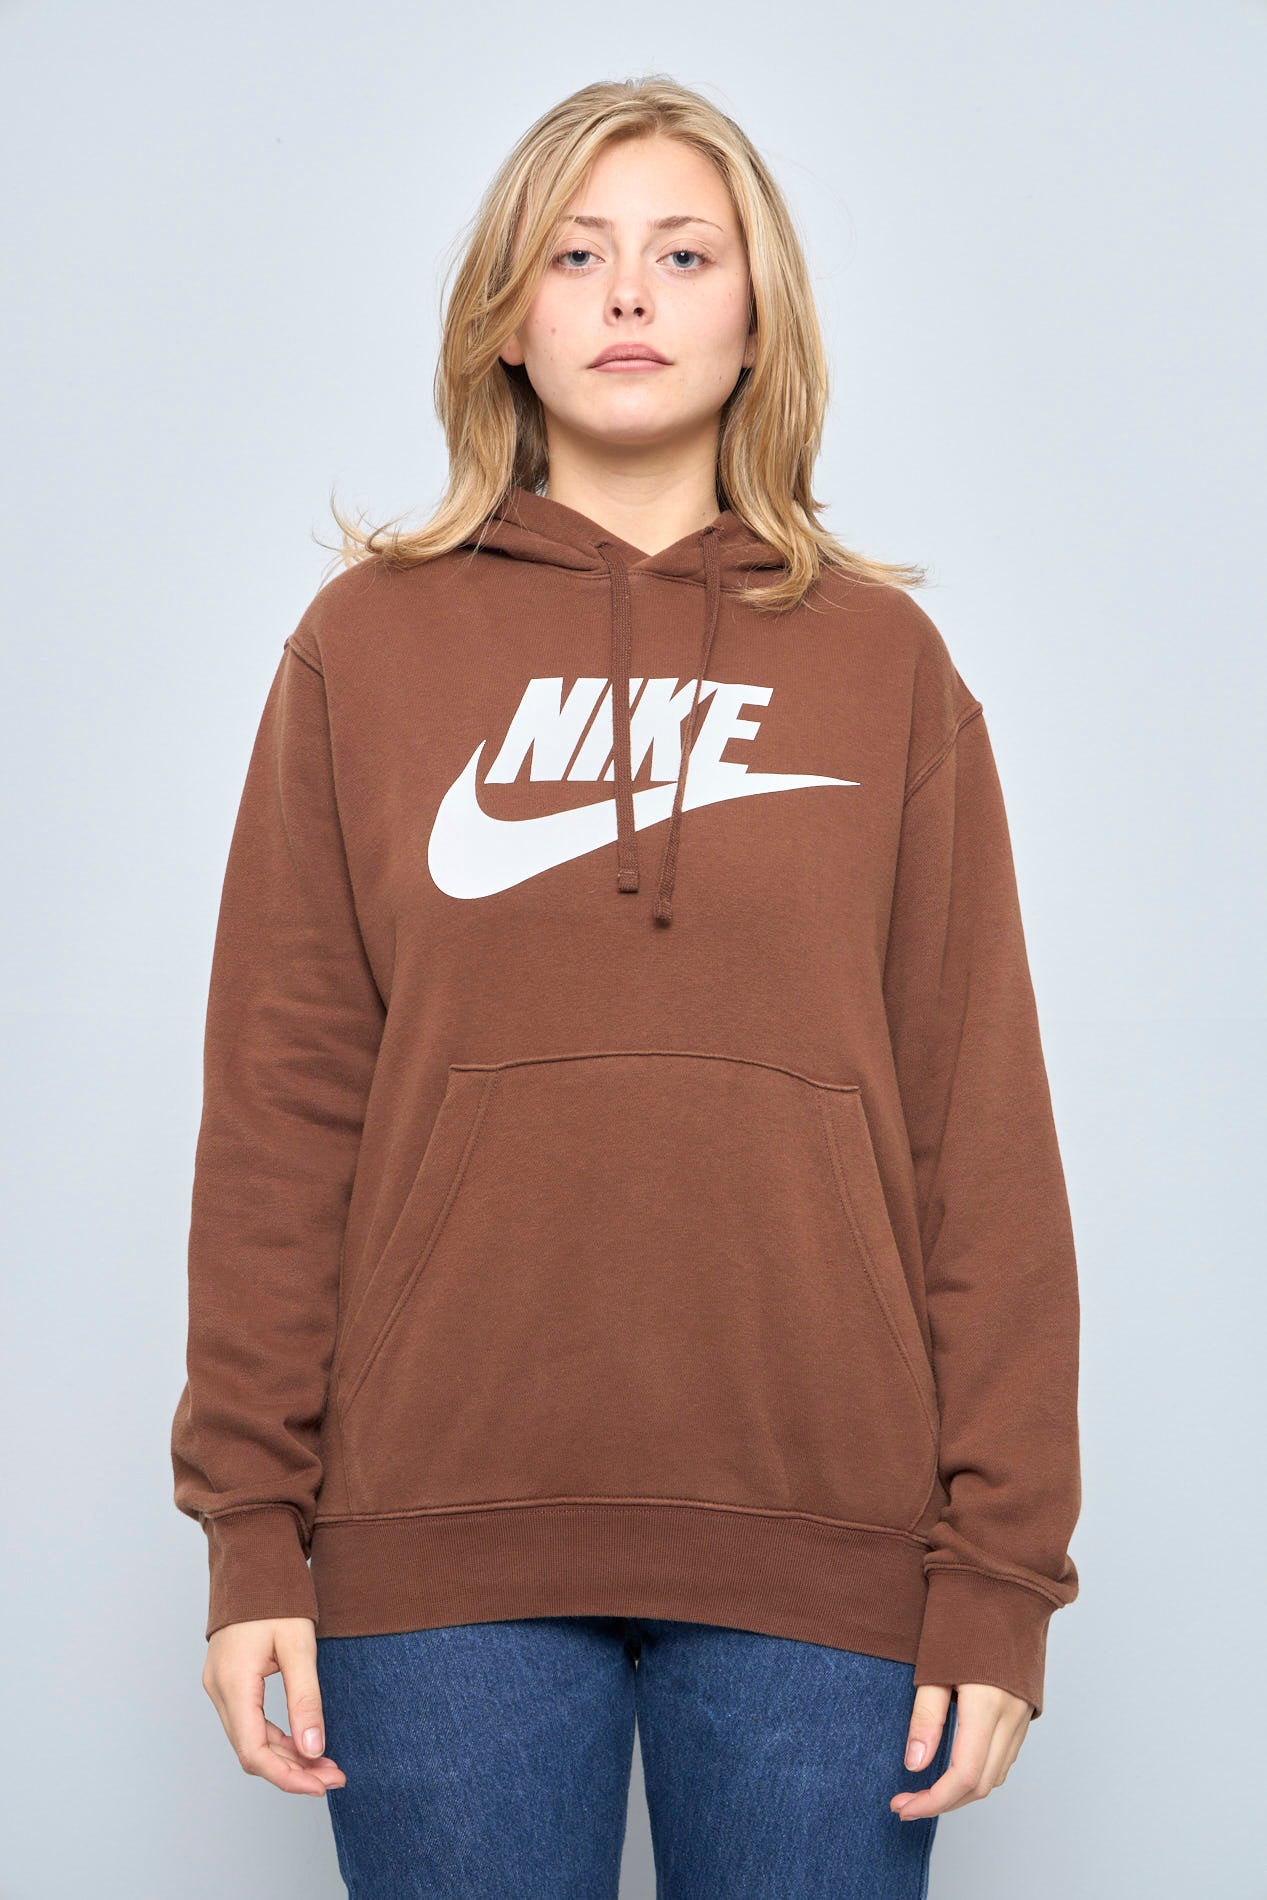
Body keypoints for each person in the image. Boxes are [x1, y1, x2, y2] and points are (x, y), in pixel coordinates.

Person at [170, 74, 1082, 1898]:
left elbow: (976, 1126)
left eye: (683, 254)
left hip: (824, 1537)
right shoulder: (366, 648)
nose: (631, 295)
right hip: (439, 1539)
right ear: (507, 318)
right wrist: (252, 1525)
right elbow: (283, 1108)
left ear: (758, 319)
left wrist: (1000, 1571)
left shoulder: (885, 664)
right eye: (577, 257)